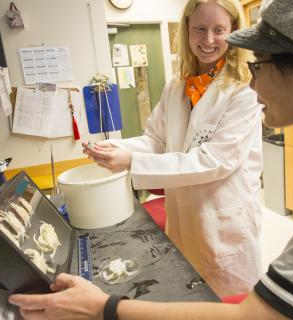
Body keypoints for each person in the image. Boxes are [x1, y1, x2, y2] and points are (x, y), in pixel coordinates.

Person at [10, 0, 293, 319]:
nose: (254, 85)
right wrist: (123, 152)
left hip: (226, 225)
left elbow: (258, 316)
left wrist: (104, 307)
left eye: (262, 67)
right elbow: (160, 140)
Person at [82, 0, 263, 297]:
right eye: (199, 29)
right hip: (184, 218)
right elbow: (156, 140)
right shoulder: (178, 86)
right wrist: (115, 146)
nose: (208, 40)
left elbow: (215, 160)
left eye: (219, 30)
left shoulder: (243, 89)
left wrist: (131, 163)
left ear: (234, 31)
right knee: (189, 298)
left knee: (227, 306)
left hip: (223, 220)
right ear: (187, 31)